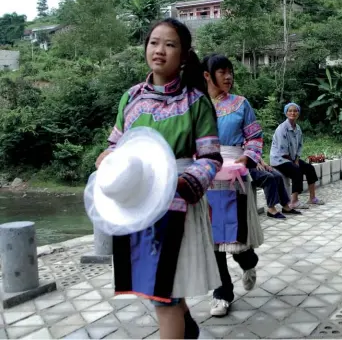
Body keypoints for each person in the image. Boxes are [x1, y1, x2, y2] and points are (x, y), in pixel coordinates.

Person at [94, 18, 223, 339]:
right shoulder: (131, 98)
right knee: (159, 291)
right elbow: (115, 145)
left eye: (170, 44)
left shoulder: (196, 102)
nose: (160, 50)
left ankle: (183, 328)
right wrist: (105, 160)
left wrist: (179, 185)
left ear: (183, 54)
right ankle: (188, 328)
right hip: (138, 206)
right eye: (154, 42)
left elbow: (210, 159)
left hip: (177, 205)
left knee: (163, 293)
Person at [201, 54, 300, 317]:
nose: (229, 76)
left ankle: (249, 262)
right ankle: (222, 294)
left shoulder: (241, 104)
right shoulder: (195, 107)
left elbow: (255, 138)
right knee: (212, 240)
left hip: (235, 174)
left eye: (230, 71)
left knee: (237, 238)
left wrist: (247, 158)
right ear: (207, 76)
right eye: (222, 72)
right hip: (204, 177)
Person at [270, 103, 325, 208]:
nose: (292, 113)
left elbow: (300, 145)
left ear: (298, 113)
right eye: (290, 111)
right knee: (296, 171)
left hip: (292, 158)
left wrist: (297, 159)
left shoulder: (298, 128)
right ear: (286, 113)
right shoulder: (282, 129)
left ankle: (312, 198)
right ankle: (294, 201)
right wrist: (294, 162)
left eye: (295, 111)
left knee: (309, 168)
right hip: (280, 160)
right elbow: (283, 150)